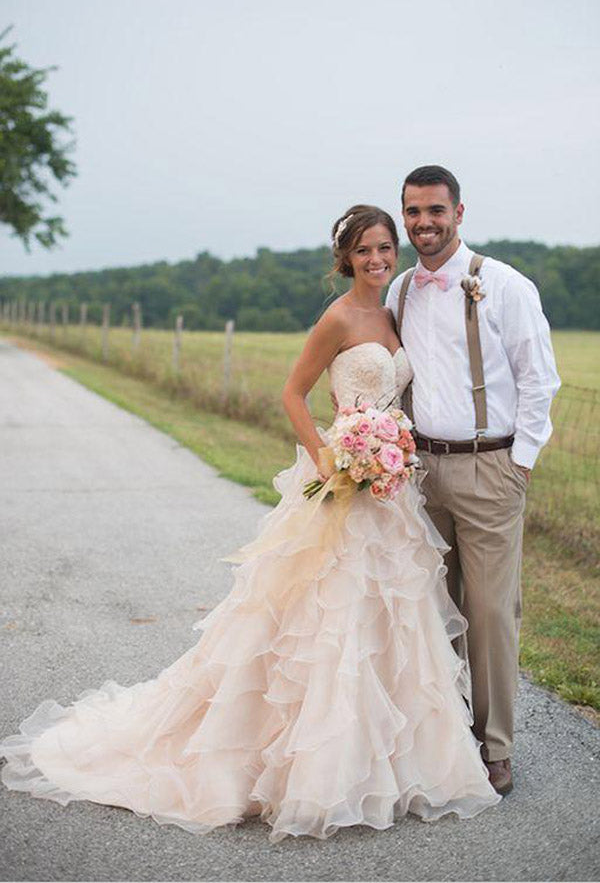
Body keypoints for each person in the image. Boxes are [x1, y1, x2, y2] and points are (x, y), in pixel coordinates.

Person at [0, 205, 500, 844]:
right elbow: (294, 392)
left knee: (393, 618)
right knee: (327, 619)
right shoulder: (340, 317)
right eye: (364, 251)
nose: (377, 260)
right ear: (345, 258)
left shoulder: (395, 311)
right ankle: (313, 769)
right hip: (343, 481)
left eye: (385, 248)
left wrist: (389, 453)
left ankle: (401, 764)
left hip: (390, 491)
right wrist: (332, 457)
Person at [385, 166, 561, 795]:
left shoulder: (506, 285)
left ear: (459, 213)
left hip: (492, 467)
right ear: (403, 216)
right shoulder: (399, 290)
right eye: (412, 212)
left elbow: (540, 378)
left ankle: (496, 747)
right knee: (433, 608)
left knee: (488, 613)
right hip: (419, 472)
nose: (424, 223)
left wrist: (521, 463)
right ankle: (446, 734)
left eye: (435, 210)